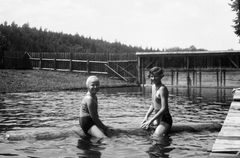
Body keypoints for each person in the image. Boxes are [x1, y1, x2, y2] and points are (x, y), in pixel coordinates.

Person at [141, 67, 173, 137]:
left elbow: (164, 108)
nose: (153, 78)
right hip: (157, 119)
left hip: (165, 119)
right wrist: (146, 116)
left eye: (156, 76)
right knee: (142, 128)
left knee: (156, 137)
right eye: (152, 76)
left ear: (161, 76)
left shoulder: (162, 89)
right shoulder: (153, 87)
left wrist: (151, 120)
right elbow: (153, 104)